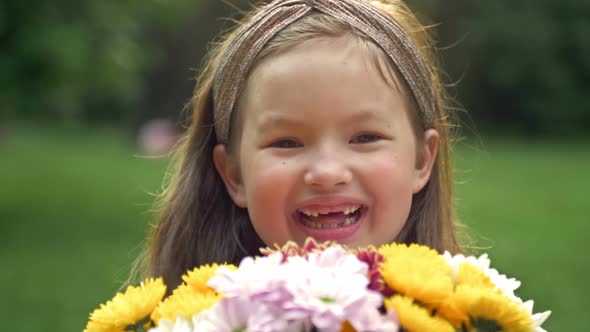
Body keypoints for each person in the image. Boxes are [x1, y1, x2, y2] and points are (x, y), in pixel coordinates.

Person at [136, 0, 464, 291]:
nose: (327, 173)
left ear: (422, 160)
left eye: (365, 138)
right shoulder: (187, 321)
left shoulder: (470, 317)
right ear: (234, 175)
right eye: (287, 142)